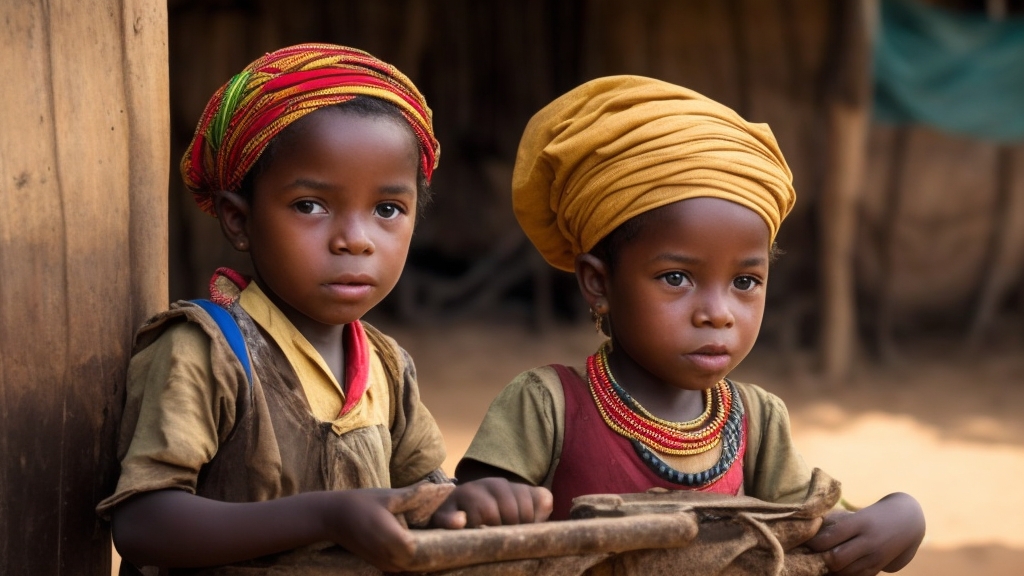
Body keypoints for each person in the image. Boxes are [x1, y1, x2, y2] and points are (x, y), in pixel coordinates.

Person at [97, 44, 551, 575]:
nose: (355, 240)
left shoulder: (386, 367)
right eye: (310, 205)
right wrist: (327, 515)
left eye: (387, 209)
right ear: (238, 220)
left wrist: (468, 502)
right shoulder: (205, 351)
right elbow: (143, 523)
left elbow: (421, 499)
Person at [451, 75, 925, 575]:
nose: (717, 312)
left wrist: (899, 517)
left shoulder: (758, 422)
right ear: (598, 283)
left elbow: (817, 531)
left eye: (745, 281)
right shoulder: (547, 406)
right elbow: (464, 519)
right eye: (676, 277)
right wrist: (490, 502)